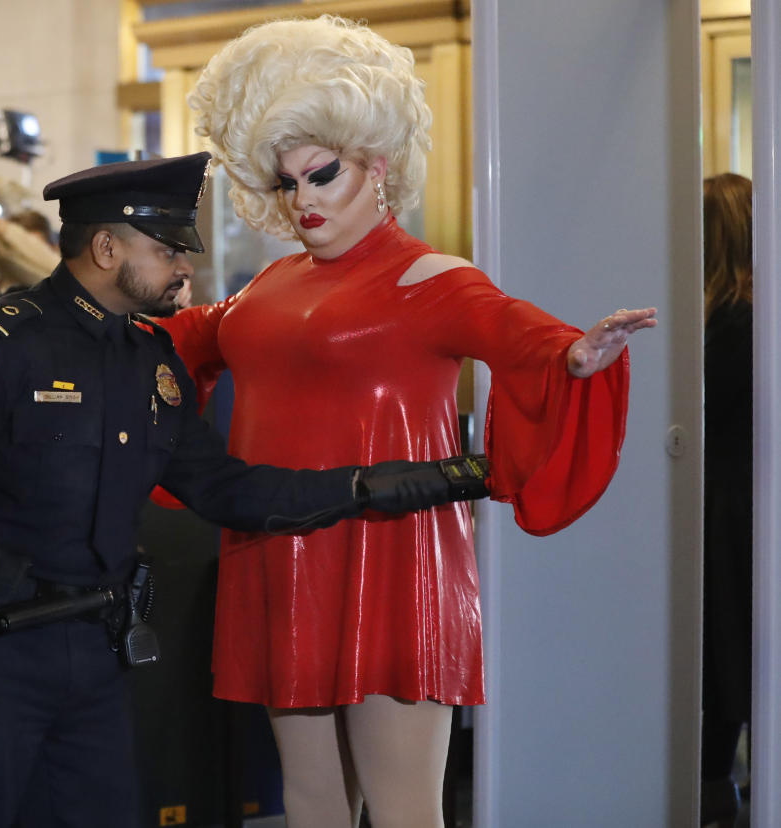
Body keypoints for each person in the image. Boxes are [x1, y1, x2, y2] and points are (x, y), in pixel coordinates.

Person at [0, 151, 496, 828]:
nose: (185, 267)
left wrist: (372, 486)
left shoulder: (150, 362)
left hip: (97, 656)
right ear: (107, 247)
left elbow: (226, 489)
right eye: (168, 250)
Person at [157, 16, 658, 827]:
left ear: (376, 164)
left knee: (402, 811)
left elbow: (516, 332)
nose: (304, 201)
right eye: (287, 184)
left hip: (391, 561)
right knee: (310, 802)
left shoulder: (431, 277)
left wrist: (575, 356)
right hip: (278, 550)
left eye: (321, 175)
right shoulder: (270, 285)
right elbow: (186, 341)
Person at [700, 172, 753, 828]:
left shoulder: (728, 320)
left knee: (725, 645)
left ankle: (715, 784)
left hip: (726, 498)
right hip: (743, 495)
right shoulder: (752, 311)